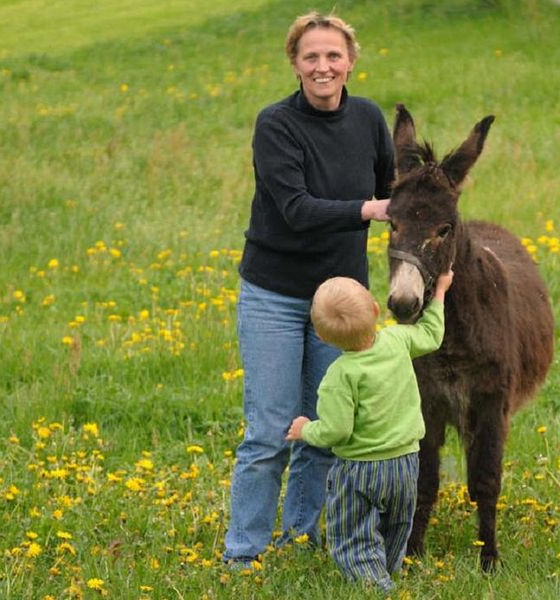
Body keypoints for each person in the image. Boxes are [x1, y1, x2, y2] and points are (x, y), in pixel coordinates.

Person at [223, 11, 395, 566]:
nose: (323, 66)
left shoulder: (369, 119)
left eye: (334, 55)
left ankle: (302, 537)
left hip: (342, 302)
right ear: (295, 64)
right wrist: (368, 210)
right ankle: (243, 554)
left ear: (350, 62)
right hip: (275, 293)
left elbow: (396, 192)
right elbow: (295, 210)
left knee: (325, 430)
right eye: (311, 56)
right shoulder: (275, 124)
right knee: (270, 432)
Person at [285, 271, 453, 593]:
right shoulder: (397, 340)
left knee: (352, 535)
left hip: (360, 470)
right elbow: (432, 335)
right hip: (405, 463)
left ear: (321, 337)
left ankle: (377, 588)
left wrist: (306, 430)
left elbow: (336, 431)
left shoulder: (340, 375)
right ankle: (387, 572)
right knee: (396, 526)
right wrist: (441, 292)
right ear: (376, 310)